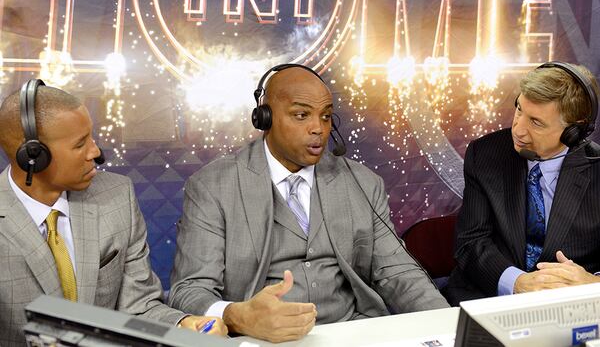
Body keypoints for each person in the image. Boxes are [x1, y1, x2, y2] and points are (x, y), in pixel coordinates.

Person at [168, 64, 449, 343]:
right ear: (265, 118)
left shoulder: (363, 182)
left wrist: (450, 329)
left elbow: (398, 272)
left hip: (353, 333)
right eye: (301, 115)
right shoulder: (212, 186)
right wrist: (238, 316)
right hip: (257, 339)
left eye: (326, 117)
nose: (318, 129)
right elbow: (190, 289)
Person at [0, 81, 227, 345]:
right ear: (32, 156)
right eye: (79, 144)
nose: (95, 152)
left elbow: (139, 307)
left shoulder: (117, 196)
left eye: (92, 137)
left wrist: (185, 324)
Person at [445, 62, 600, 306]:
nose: (518, 130)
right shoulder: (484, 154)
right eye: (519, 109)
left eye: (536, 122)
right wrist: (517, 283)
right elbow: (471, 242)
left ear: (574, 130)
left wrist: (592, 284)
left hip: (572, 306)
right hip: (488, 298)